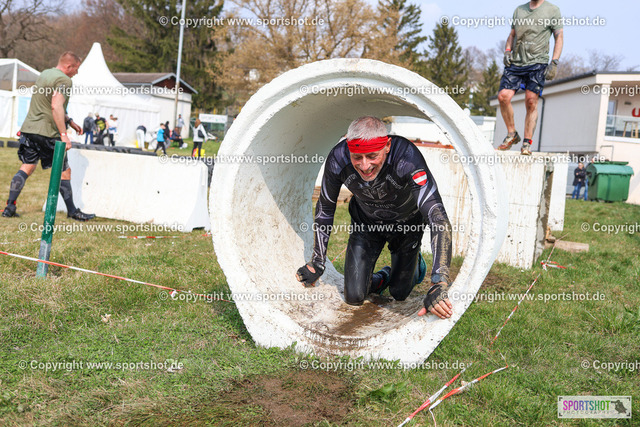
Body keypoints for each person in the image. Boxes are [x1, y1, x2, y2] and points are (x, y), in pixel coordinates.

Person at [295, 116, 454, 319]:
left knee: (399, 293)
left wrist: (439, 281)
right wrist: (317, 262)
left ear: (387, 146)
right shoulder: (338, 158)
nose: (364, 166)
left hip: (406, 227)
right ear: (348, 149)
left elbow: (437, 217)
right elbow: (325, 208)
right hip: (367, 224)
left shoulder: (406, 157)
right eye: (357, 157)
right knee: (354, 296)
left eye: (372, 156)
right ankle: (384, 276)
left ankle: (417, 265)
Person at [2, 52, 95, 221]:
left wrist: (70, 121)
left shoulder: (45, 74)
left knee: (27, 166)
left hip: (30, 129)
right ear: (69, 66)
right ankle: (72, 211)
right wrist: (64, 135)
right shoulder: (65, 80)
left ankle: (9, 207)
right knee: (64, 172)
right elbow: (55, 106)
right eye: (76, 68)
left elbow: (46, 104)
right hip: (48, 132)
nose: (77, 72)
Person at [497, 0, 563, 155]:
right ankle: (512, 134)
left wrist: (554, 62)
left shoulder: (552, 10)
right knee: (503, 97)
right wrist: (507, 50)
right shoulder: (519, 10)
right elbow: (512, 35)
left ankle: (527, 142)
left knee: (531, 101)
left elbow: (559, 37)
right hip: (516, 63)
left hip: (537, 63)